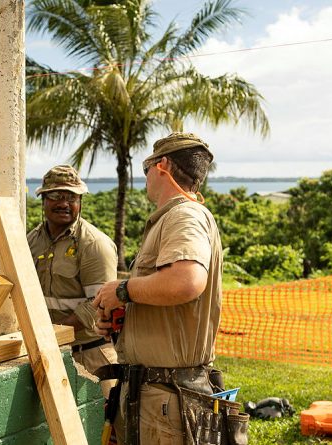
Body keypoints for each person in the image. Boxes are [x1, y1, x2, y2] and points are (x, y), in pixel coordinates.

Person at [92, 133, 245, 445]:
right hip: (154, 395)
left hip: (166, 402)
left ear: (161, 165)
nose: (146, 176)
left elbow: (186, 281)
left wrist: (122, 290)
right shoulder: (174, 218)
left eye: (147, 167)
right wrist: (125, 319)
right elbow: (168, 298)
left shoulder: (184, 215)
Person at [27, 165, 119, 396]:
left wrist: (52, 335)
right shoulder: (31, 241)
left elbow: (97, 304)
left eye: (71, 197)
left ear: (80, 202)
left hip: (90, 356)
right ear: (43, 199)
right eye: (56, 196)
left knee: (105, 427)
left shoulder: (94, 245)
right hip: (48, 352)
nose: (63, 203)